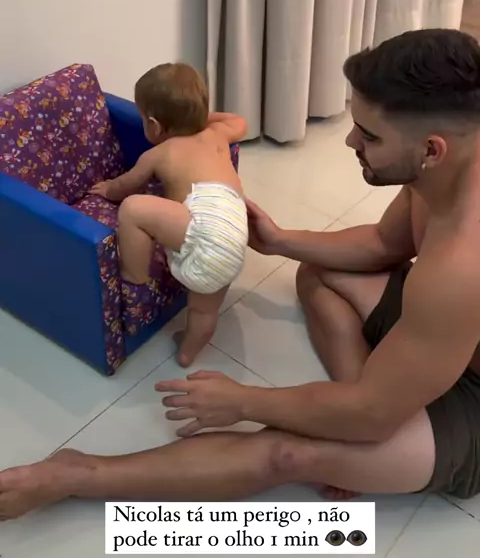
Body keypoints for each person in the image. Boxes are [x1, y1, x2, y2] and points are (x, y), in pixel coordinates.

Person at [2, 27, 480, 521]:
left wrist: (245, 402)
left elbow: (373, 415)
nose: (349, 139)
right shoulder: (442, 168)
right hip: (437, 334)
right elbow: (385, 244)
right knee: (317, 272)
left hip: (470, 399)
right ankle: (360, 401)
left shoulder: (460, 266)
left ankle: (76, 475)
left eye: (370, 135)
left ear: (432, 149)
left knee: (287, 453)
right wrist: (280, 241)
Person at [91, 62, 248, 367]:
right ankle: (188, 351)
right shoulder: (216, 134)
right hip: (234, 239)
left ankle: (135, 276)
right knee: (204, 310)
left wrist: (109, 189)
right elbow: (239, 121)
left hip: (205, 234)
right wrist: (197, 118)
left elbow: (126, 185)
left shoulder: (158, 153)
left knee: (133, 208)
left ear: (154, 125)